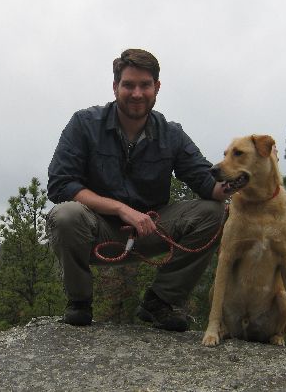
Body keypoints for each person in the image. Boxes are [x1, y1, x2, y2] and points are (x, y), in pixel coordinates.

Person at [46, 48, 230, 330]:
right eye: (128, 85)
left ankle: (161, 301)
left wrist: (250, 171)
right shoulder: (84, 124)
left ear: (156, 88)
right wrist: (122, 209)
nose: (136, 93)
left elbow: (209, 184)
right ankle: (79, 302)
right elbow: (61, 184)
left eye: (145, 85)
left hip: (151, 230)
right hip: (95, 231)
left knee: (213, 212)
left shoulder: (172, 134)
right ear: (115, 87)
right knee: (65, 215)